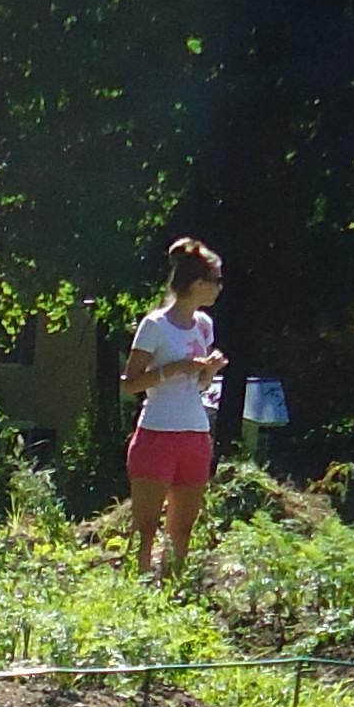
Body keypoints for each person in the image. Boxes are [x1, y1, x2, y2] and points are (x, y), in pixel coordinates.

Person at [120, 238, 224, 579]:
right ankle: (140, 587)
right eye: (216, 281)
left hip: (195, 434)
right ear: (197, 284)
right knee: (146, 528)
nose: (219, 288)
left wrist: (207, 372)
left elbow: (201, 387)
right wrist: (173, 369)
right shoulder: (155, 325)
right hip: (156, 434)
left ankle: (172, 586)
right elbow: (129, 383)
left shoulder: (205, 325)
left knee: (182, 529)